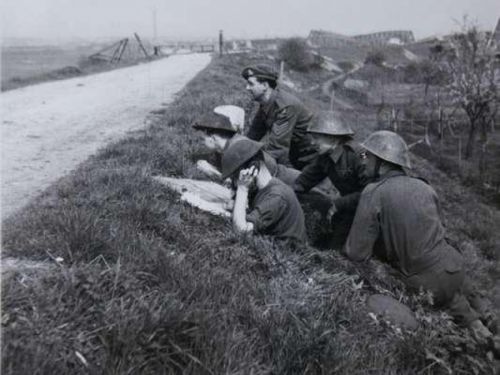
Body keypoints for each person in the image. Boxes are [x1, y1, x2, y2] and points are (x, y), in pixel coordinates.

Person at [344, 130, 497, 347]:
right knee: (449, 292)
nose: (364, 161)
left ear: (383, 161)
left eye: (368, 156)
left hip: (427, 284)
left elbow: (356, 253)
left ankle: (478, 335)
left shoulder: (374, 191)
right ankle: (483, 328)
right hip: (455, 268)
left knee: (428, 285)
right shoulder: (425, 187)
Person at [294, 111, 369, 247]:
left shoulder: (359, 155)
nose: (312, 142)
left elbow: (371, 192)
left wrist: (339, 204)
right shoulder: (325, 156)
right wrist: (288, 192)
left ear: (333, 139)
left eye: (316, 138)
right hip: (350, 208)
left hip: (370, 210)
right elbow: (305, 180)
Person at [220, 137, 307, 244]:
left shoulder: (276, 196)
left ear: (252, 169)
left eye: (236, 177)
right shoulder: (263, 189)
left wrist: (242, 189)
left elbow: (241, 231)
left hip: (286, 253)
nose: (235, 183)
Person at [193, 108, 301, 186]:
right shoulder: (233, 143)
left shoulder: (237, 150)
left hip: (294, 185)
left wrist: (212, 173)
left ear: (213, 137)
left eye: (202, 139)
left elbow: (242, 186)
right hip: (287, 180)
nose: (201, 143)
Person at [241, 64, 317, 170]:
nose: (247, 88)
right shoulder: (266, 104)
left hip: (312, 158)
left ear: (264, 86)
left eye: (251, 84)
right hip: (296, 154)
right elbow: (253, 136)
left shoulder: (285, 106)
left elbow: (276, 148)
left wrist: (252, 165)